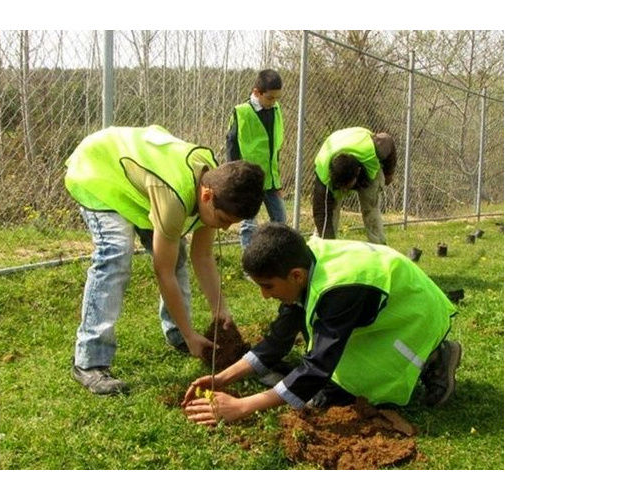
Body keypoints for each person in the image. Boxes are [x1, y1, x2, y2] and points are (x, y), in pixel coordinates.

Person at [183, 222, 460, 426]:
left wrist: (243, 406)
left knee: (347, 394)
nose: (264, 295)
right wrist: (221, 378)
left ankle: (436, 357)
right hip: (381, 308)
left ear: (295, 276)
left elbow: (317, 367)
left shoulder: (337, 290)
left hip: (413, 317)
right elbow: (279, 339)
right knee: (327, 385)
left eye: (267, 286)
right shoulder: (303, 261)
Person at [65, 124, 265, 396]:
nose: (226, 228)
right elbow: (164, 273)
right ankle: (90, 361)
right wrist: (190, 333)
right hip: (99, 168)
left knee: (178, 253)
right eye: (224, 221)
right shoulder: (175, 196)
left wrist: (221, 311)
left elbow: (203, 257)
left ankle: (177, 336)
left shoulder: (217, 185)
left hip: (140, 182)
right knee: (115, 253)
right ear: (206, 196)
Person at [226, 69, 286, 250]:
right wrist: (234, 177)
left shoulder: (275, 110)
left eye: (277, 98)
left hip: (270, 179)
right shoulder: (241, 112)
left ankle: (275, 254)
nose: (273, 102)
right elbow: (231, 144)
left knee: (280, 219)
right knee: (249, 224)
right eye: (270, 98)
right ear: (256, 92)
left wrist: (277, 180)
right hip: (248, 178)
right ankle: (249, 261)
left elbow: (275, 147)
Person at [312, 127, 397, 244]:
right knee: (329, 212)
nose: (345, 190)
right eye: (341, 187)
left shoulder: (376, 148)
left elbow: (389, 140)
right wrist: (328, 245)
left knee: (371, 209)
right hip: (336, 152)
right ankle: (321, 247)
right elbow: (321, 213)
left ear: (357, 173)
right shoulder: (323, 175)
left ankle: (379, 247)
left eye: (346, 186)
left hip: (366, 162)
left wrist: (388, 174)